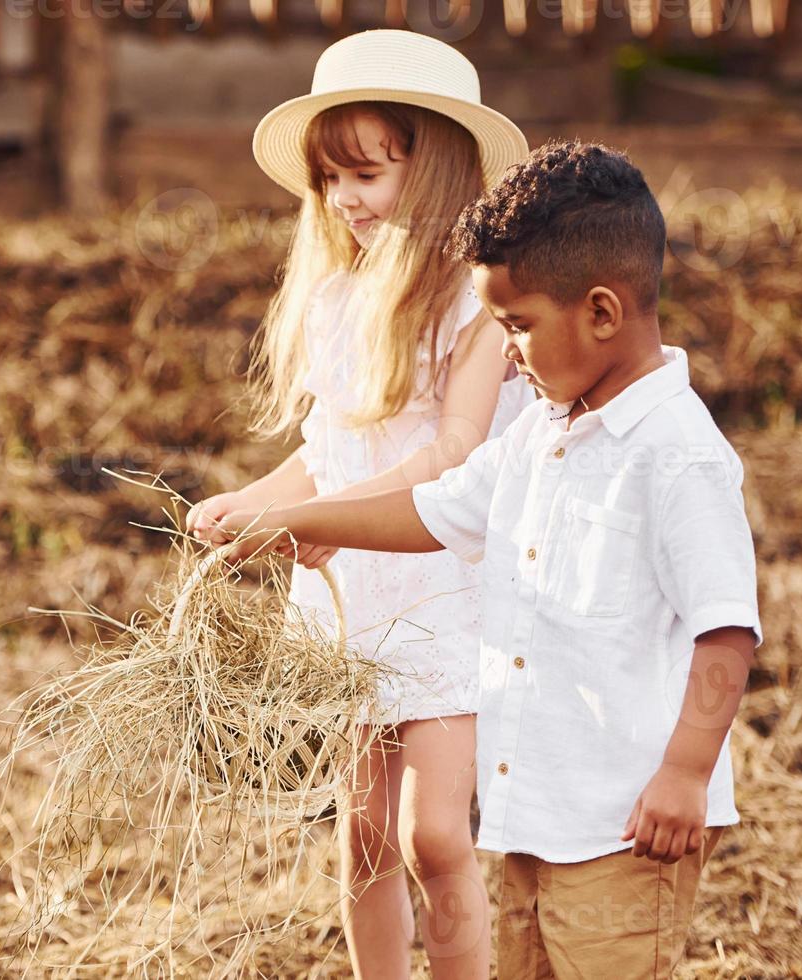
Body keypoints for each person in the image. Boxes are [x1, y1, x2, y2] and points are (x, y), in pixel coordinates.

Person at [211, 139, 762, 979]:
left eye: (518, 327)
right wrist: (292, 521)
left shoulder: (677, 455)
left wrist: (685, 775)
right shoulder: (544, 433)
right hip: (535, 817)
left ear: (603, 313)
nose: (507, 353)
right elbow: (434, 510)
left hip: (628, 825)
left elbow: (727, 631)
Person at [185, 29, 530, 980]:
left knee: (435, 837)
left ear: (437, 169)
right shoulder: (336, 300)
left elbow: (451, 454)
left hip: (440, 584)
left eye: (367, 174)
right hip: (352, 598)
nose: (344, 199)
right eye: (329, 179)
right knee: (364, 831)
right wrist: (246, 504)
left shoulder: (477, 305)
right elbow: (329, 452)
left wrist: (309, 523)